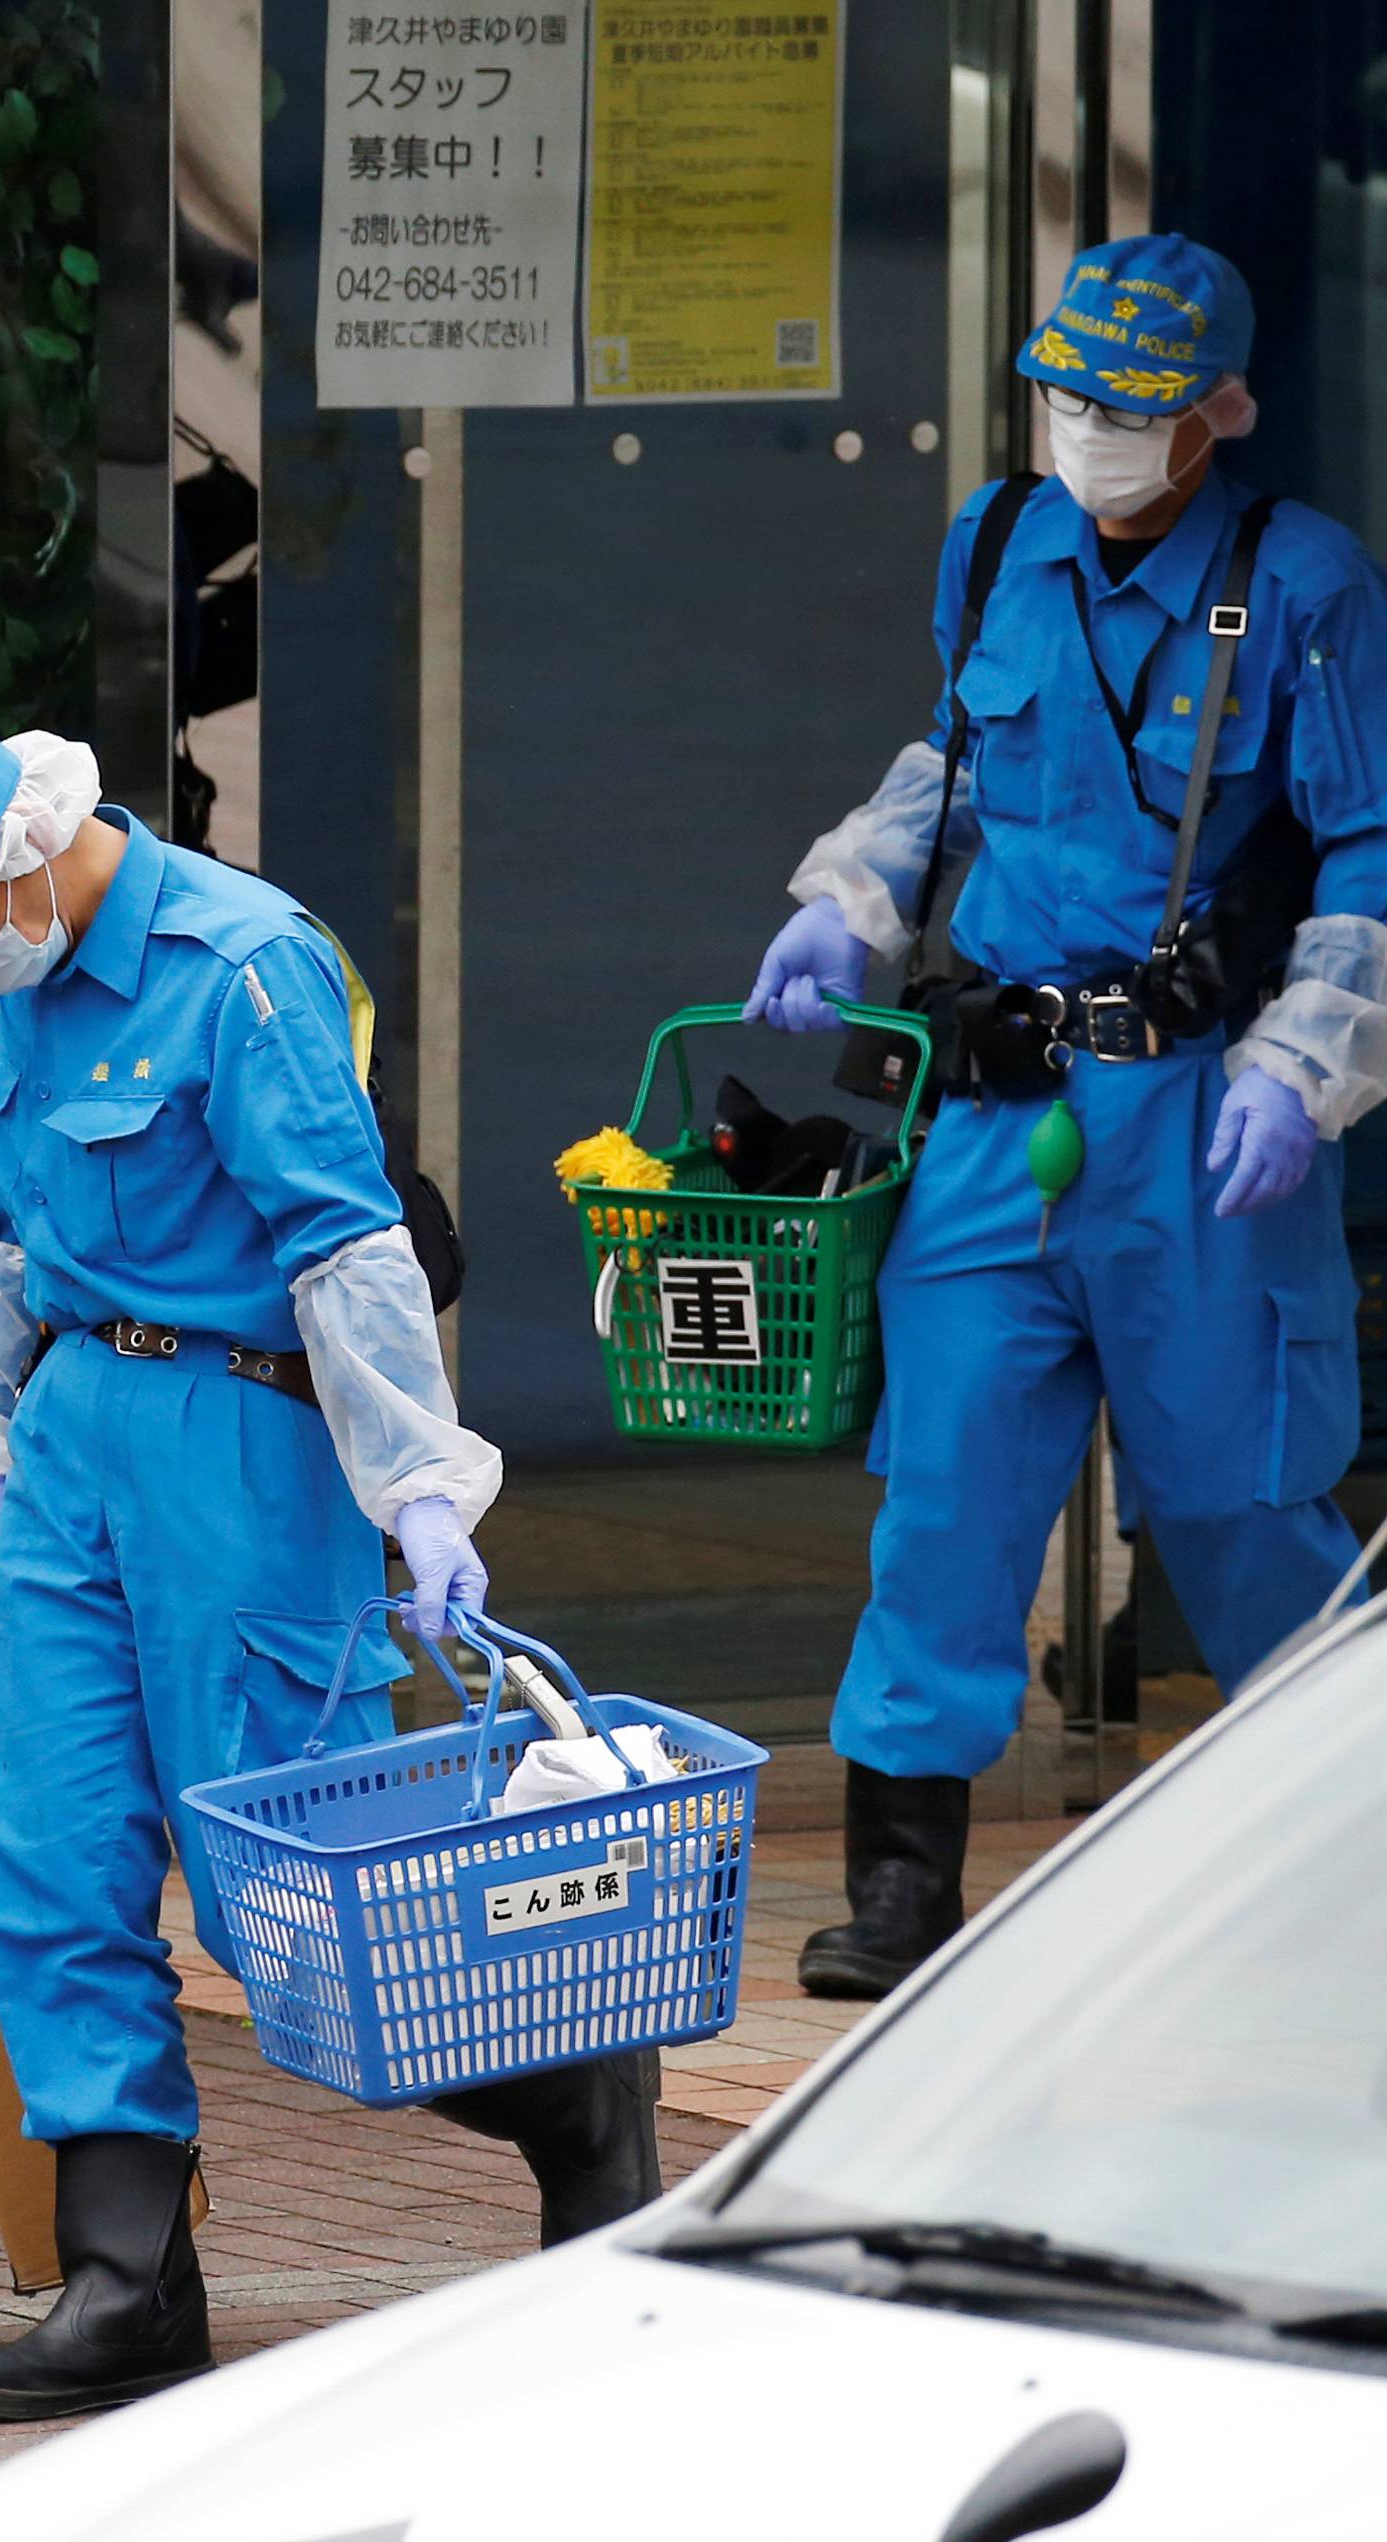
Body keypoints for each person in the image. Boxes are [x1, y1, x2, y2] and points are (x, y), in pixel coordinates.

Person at [0, 724, 660, 2420]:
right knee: (43, 1852)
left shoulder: (242, 964)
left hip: (250, 1451)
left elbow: (349, 1250)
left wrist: (422, 1489)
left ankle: (582, 2106)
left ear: (40, 837)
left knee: (319, 1910)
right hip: (74, 1448)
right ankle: (127, 2282)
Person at [745, 235, 1387, 2001]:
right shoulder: (997, 543)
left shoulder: (1306, 585)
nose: (1086, 429)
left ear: (1218, 417)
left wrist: (1304, 1060)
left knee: (1245, 1509)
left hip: (1199, 1117)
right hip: (996, 1104)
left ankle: (1343, 1861)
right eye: (1065, 394)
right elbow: (944, 768)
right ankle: (897, 1883)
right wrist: (852, 896)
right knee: (941, 1495)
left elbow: (1370, 849)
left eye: (1125, 406)